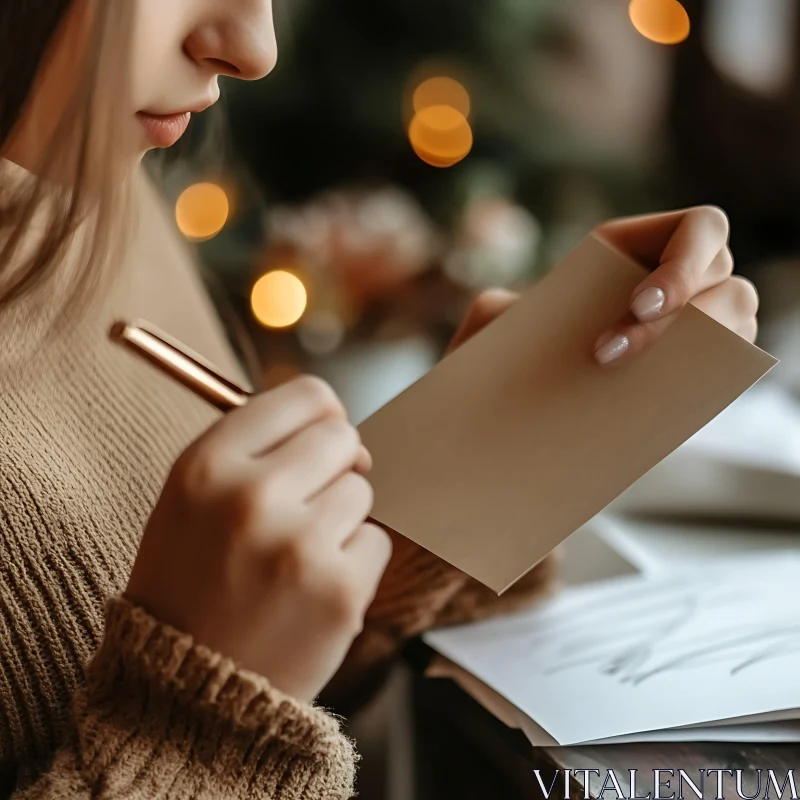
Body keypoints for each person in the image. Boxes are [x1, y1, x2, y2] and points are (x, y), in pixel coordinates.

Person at [0, 1, 760, 798]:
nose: (253, 50)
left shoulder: (100, 192)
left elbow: (301, 701)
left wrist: (467, 487)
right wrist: (198, 724)